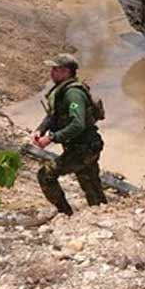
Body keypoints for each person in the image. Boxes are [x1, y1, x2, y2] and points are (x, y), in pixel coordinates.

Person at [31, 53, 105, 216]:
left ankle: (65, 213)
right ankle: (101, 212)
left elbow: (77, 124)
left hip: (84, 148)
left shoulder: (73, 94)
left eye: (56, 69)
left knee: (45, 175)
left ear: (66, 72)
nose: (51, 73)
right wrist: (40, 130)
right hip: (83, 146)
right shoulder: (62, 91)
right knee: (90, 184)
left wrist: (51, 138)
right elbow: (53, 116)